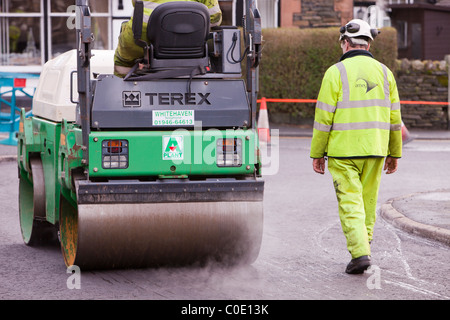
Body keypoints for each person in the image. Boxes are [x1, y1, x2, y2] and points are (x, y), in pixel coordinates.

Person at [310, 19, 402, 274]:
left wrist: (318, 153)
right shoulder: (385, 73)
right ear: (369, 43)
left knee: (351, 203)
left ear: (346, 43)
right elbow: (395, 119)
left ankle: (360, 254)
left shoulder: (335, 72)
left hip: (343, 152)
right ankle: (365, 245)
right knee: (368, 202)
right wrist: (395, 153)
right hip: (376, 149)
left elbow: (323, 118)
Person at [114, 0, 222, 77]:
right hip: (190, 42)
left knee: (122, 62)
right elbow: (215, 19)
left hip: (142, 37)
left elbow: (136, 4)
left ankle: (125, 93)